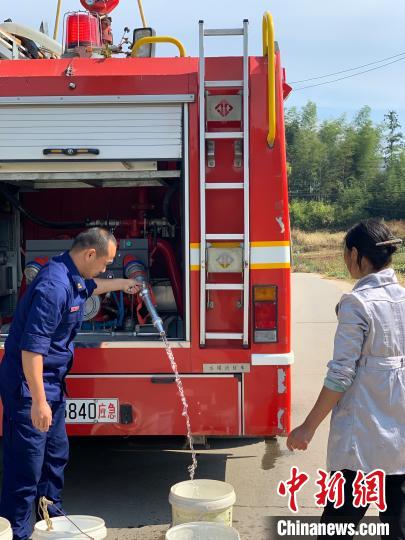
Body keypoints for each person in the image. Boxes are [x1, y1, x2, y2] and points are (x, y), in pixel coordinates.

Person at [0, 228, 140, 540]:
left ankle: (50, 522)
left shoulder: (71, 274)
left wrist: (124, 284)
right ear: (90, 254)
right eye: (105, 262)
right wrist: (38, 402)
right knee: (26, 467)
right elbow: (31, 351)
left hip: (52, 384)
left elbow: (92, 287)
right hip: (29, 386)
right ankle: (17, 533)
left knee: (55, 455)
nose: (105, 269)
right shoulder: (53, 287)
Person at [287, 219, 405, 539]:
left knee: (337, 528)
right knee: (397, 527)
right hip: (400, 443)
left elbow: (341, 375)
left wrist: (307, 427)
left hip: (363, 440)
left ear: (354, 255)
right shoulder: (401, 297)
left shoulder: (357, 303)